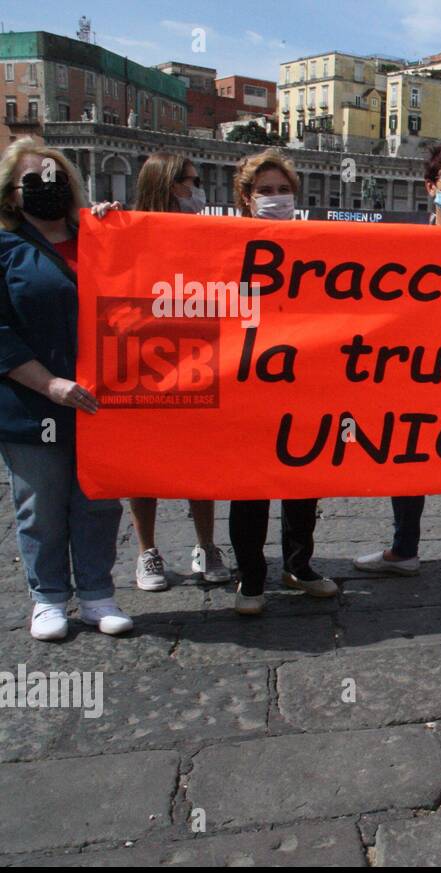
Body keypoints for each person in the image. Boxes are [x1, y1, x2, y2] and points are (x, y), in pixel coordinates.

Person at [0, 138, 133, 639]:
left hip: (102, 400)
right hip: (34, 400)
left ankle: (98, 593)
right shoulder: (5, 246)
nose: (47, 190)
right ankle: (49, 598)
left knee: (99, 499)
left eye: (57, 180)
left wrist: (119, 225)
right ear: (12, 195)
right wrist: (49, 383)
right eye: (33, 182)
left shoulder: (100, 235)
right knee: (41, 502)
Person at [353, 143, 441, 587]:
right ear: (431, 186)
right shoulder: (405, 240)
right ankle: (404, 548)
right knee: (407, 451)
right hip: (414, 367)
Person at [226, 149, 336, 615]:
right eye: (265, 192)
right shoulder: (225, 243)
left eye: (283, 190)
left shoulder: (314, 243)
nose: (276, 198)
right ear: (246, 199)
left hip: (303, 377)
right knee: (249, 486)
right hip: (247, 379)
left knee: (302, 478)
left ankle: (298, 565)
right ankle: (251, 577)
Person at [124, 151, 231, 591]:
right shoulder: (124, 233)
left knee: (200, 456)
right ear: (169, 186)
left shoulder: (206, 234)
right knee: (142, 461)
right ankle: (148, 552)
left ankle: (206, 544)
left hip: (200, 355)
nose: (198, 191)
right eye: (192, 182)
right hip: (143, 357)